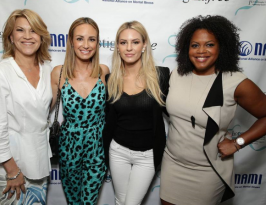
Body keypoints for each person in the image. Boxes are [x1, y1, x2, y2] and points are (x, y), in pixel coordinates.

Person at [160, 15, 266, 205]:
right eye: (194, 45)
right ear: (186, 48)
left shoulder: (235, 82)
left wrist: (238, 142)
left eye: (209, 44)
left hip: (207, 171)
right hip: (172, 164)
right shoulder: (177, 75)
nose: (201, 51)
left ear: (221, 47)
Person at [0, 9, 52, 204]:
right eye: (20, 30)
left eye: (33, 30)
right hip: (8, 167)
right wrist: (12, 171)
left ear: (41, 36)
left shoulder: (48, 70)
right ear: (11, 36)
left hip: (38, 162)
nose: (27, 36)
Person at [103, 21, 169, 205]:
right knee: (120, 200)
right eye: (123, 42)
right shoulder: (111, 80)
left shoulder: (161, 76)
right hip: (118, 151)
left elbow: (175, 111)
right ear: (117, 46)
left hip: (147, 155)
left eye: (135, 42)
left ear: (144, 45)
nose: (129, 48)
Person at [51, 17, 109, 205]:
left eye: (91, 39)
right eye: (80, 38)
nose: (86, 45)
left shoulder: (103, 71)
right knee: (74, 201)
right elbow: (43, 106)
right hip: (69, 146)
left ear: (97, 43)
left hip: (97, 145)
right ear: (70, 41)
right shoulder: (58, 72)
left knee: (89, 201)